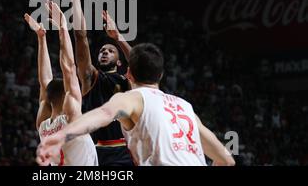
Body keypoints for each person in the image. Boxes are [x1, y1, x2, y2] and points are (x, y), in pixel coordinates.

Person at [37, 43, 236, 166]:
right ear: (161, 75)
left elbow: (103, 114)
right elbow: (226, 159)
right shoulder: (186, 108)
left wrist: (63, 134)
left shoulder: (132, 98)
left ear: (129, 74)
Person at [55, 0, 133, 166]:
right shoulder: (92, 78)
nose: (104, 52)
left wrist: (119, 37)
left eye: (110, 50)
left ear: (119, 61)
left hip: (128, 150)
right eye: (102, 51)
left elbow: (144, 65)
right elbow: (81, 38)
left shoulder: (128, 80)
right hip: (96, 150)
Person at [24, 0, 97, 166]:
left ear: (49, 99)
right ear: (67, 95)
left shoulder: (43, 127)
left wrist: (41, 38)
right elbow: (69, 68)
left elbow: (44, 83)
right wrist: (62, 28)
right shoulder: (72, 118)